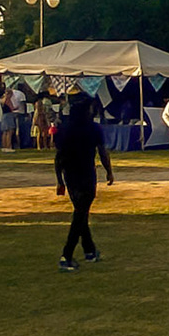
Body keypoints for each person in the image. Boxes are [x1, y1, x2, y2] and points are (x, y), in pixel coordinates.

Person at [55, 94, 113, 271]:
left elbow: (58, 157)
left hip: (69, 175)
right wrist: (109, 171)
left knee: (81, 212)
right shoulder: (93, 128)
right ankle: (67, 255)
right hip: (87, 173)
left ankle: (89, 250)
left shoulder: (64, 129)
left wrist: (59, 180)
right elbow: (102, 151)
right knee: (80, 215)